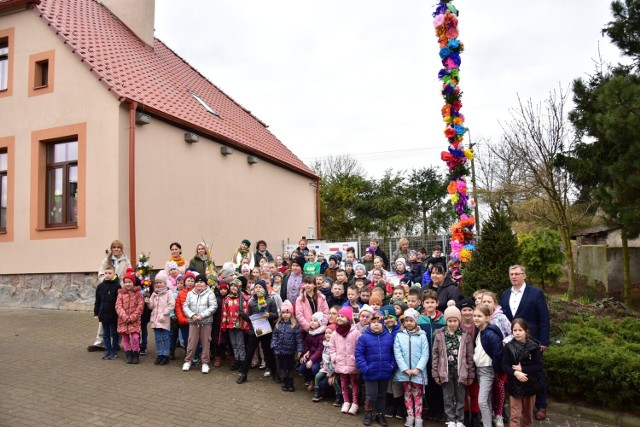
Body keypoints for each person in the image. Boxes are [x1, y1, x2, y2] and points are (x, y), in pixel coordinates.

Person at [500, 265, 550, 421]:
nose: (514, 276)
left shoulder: (536, 293)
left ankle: (541, 405)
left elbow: (544, 318)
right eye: (511, 274)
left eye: (517, 274)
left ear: (524, 276)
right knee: (515, 371)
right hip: (513, 342)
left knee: (536, 372)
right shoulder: (505, 294)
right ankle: (518, 403)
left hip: (532, 341)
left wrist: (543, 341)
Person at [432, 306, 475, 427]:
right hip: (445, 370)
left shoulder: (465, 335)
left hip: (461, 370)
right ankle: (451, 418)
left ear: (459, 321)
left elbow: (470, 356)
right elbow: (435, 354)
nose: (452, 323)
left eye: (455, 320)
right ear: (446, 321)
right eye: (450, 321)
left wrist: (471, 374)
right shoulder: (440, 335)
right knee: (448, 395)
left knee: (461, 396)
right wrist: (435, 372)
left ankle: (460, 419)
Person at [89, 240, 132, 352]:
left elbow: (128, 275)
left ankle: (116, 342)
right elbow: (101, 274)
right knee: (105, 315)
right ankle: (100, 342)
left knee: (118, 317)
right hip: (107, 289)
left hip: (119, 290)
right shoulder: (106, 261)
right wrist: (107, 281)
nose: (116, 249)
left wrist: (122, 285)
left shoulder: (126, 261)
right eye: (114, 247)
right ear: (112, 249)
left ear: (121, 249)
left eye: (118, 247)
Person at [356, 310, 396, 426]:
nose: (376, 324)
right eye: (373, 322)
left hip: (385, 370)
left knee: (382, 395)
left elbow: (394, 353)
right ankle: (368, 412)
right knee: (371, 394)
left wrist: (392, 365)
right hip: (370, 372)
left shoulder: (388, 337)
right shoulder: (364, 338)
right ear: (369, 324)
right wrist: (365, 368)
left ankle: (380, 414)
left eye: (379, 322)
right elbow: (359, 354)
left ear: (383, 323)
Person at [502, 318, 543, 427]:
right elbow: (504, 365)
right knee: (515, 414)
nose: (517, 333)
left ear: (526, 330)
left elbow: (538, 366)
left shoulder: (534, 347)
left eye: (520, 330)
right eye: (515, 330)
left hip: (530, 383)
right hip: (515, 384)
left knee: (528, 414)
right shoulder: (509, 346)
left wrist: (523, 369)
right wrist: (516, 373)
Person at [237, 280, 279, 384]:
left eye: (260, 287)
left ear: (265, 289)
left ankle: (274, 373)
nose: (258, 289)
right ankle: (244, 374)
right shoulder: (251, 303)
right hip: (254, 331)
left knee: (268, 353)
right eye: (256, 287)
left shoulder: (270, 301)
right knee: (250, 353)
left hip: (266, 331)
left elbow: (276, 315)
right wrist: (244, 316)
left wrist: (269, 315)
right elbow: (251, 318)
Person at [393, 308, 429, 427]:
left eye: (411, 320)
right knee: (407, 394)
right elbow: (397, 353)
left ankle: (418, 418)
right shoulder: (399, 335)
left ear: (416, 321)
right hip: (405, 372)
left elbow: (425, 354)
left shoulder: (422, 335)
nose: (408, 323)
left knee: (417, 395)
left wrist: (418, 369)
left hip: (418, 372)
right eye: (406, 320)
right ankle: (410, 416)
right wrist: (405, 369)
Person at [482, 291, 512, 427]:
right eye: (484, 301)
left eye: (489, 301)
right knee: (487, 389)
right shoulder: (481, 316)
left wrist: (504, 342)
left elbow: (512, 333)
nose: (486, 304)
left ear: (495, 303)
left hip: (499, 358)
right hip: (485, 361)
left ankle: (499, 415)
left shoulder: (501, 318)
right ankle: (488, 414)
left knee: (499, 388)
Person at [473, 305, 504, 427]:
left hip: (487, 370)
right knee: (486, 399)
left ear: (487, 318)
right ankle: (488, 422)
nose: (475, 318)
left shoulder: (491, 334)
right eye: (475, 316)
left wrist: (497, 370)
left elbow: (498, 354)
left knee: (481, 401)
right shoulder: (479, 331)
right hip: (480, 369)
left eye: (479, 316)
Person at [181, 274, 217, 374]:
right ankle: (188, 361)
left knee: (206, 343)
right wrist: (192, 315)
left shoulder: (210, 293)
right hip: (193, 322)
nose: (199, 284)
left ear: (205, 284)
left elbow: (213, 306)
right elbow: (185, 306)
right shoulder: (190, 293)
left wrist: (202, 315)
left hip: (205, 322)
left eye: (201, 282)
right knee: (191, 342)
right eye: (197, 282)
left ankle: (205, 363)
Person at [329, 306, 362, 415]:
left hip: (352, 363)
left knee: (354, 383)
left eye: (342, 316)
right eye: (338, 316)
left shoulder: (355, 332)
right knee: (343, 383)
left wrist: (356, 358)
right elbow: (331, 347)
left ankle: (355, 403)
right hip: (341, 362)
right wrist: (335, 358)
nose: (339, 318)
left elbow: (360, 347)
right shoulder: (334, 333)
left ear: (348, 319)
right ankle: (346, 401)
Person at [271, 300, 304, 392]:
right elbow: (274, 336)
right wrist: (274, 345)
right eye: (283, 313)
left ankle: (290, 384)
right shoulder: (278, 324)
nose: (285, 314)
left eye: (287, 312)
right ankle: (285, 384)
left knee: (290, 368)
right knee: (282, 368)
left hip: (290, 352)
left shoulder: (294, 325)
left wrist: (300, 349)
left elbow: (298, 339)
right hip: (280, 351)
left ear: (291, 313)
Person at [115, 270, 144, 364]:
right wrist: (124, 317)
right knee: (125, 338)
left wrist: (132, 317)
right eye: (126, 282)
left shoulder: (138, 294)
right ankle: (128, 353)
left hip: (134, 320)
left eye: (129, 282)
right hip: (123, 320)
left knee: (135, 337)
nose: (127, 284)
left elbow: (140, 306)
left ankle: (136, 353)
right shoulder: (120, 294)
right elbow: (118, 306)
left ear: (133, 282)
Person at [147, 270, 175, 366]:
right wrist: (148, 302)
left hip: (164, 318)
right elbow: (151, 306)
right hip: (155, 319)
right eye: (157, 283)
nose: (158, 284)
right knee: (158, 338)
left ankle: (166, 355)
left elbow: (171, 304)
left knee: (165, 337)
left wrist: (165, 313)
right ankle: (160, 354)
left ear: (165, 283)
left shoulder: (168, 293)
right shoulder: (154, 294)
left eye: (160, 282)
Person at [220, 278, 249, 370]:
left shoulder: (243, 298)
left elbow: (246, 311)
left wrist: (245, 325)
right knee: (234, 344)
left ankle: (243, 361)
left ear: (239, 287)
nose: (233, 287)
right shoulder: (227, 299)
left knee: (240, 344)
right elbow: (224, 312)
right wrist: (224, 324)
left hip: (240, 325)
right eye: (231, 285)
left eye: (235, 286)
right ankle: (237, 360)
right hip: (230, 324)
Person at [93, 265, 121, 360]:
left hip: (113, 315)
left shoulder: (117, 286)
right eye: (106, 273)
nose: (107, 275)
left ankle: (114, 351)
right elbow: (98, 301)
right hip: (103, 314)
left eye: (110, 273)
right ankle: (108, 350)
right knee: (105, 334)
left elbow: (119, 301)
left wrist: (119, 314)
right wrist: (96, 313)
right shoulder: (100, 287)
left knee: (114, 333)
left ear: (114, 274)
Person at [299, 312, 326, 391]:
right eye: (311, 320)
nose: (312, 322)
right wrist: (304, 355)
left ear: (320, 323)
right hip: (311, 355)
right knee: (302, 369)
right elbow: (307, 345)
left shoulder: (321, 335)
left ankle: (318, 383)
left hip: (319, 358)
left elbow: (320, 350)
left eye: (315, 321)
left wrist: (311, 360)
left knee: (314, 368)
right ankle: (312, 380)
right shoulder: (310, 333)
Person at [173, 271, 195, 361]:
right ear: (185, 282)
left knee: (194, 339)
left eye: (192, 281)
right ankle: (188, 354)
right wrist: (182, 319)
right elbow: (178, 307)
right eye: (188, 280)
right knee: (186, 339)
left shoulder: (196, 293)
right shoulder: (180, 293)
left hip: (194, 321)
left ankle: (195, 355)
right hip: (184, 322)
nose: (190, 282)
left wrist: (194, 318)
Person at [313, 324, 336, 403]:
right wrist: (322, 363)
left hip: (333, 370)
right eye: (326, 333)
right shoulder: (325, 344)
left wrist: (331, 372)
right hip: (325, 368)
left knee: (327, 383)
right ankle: (317, 393)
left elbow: (333, 360)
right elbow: (324, 356)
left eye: (330, 333)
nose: (327, 335)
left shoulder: (334, 345)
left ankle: (338, 394)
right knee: (317, 376)